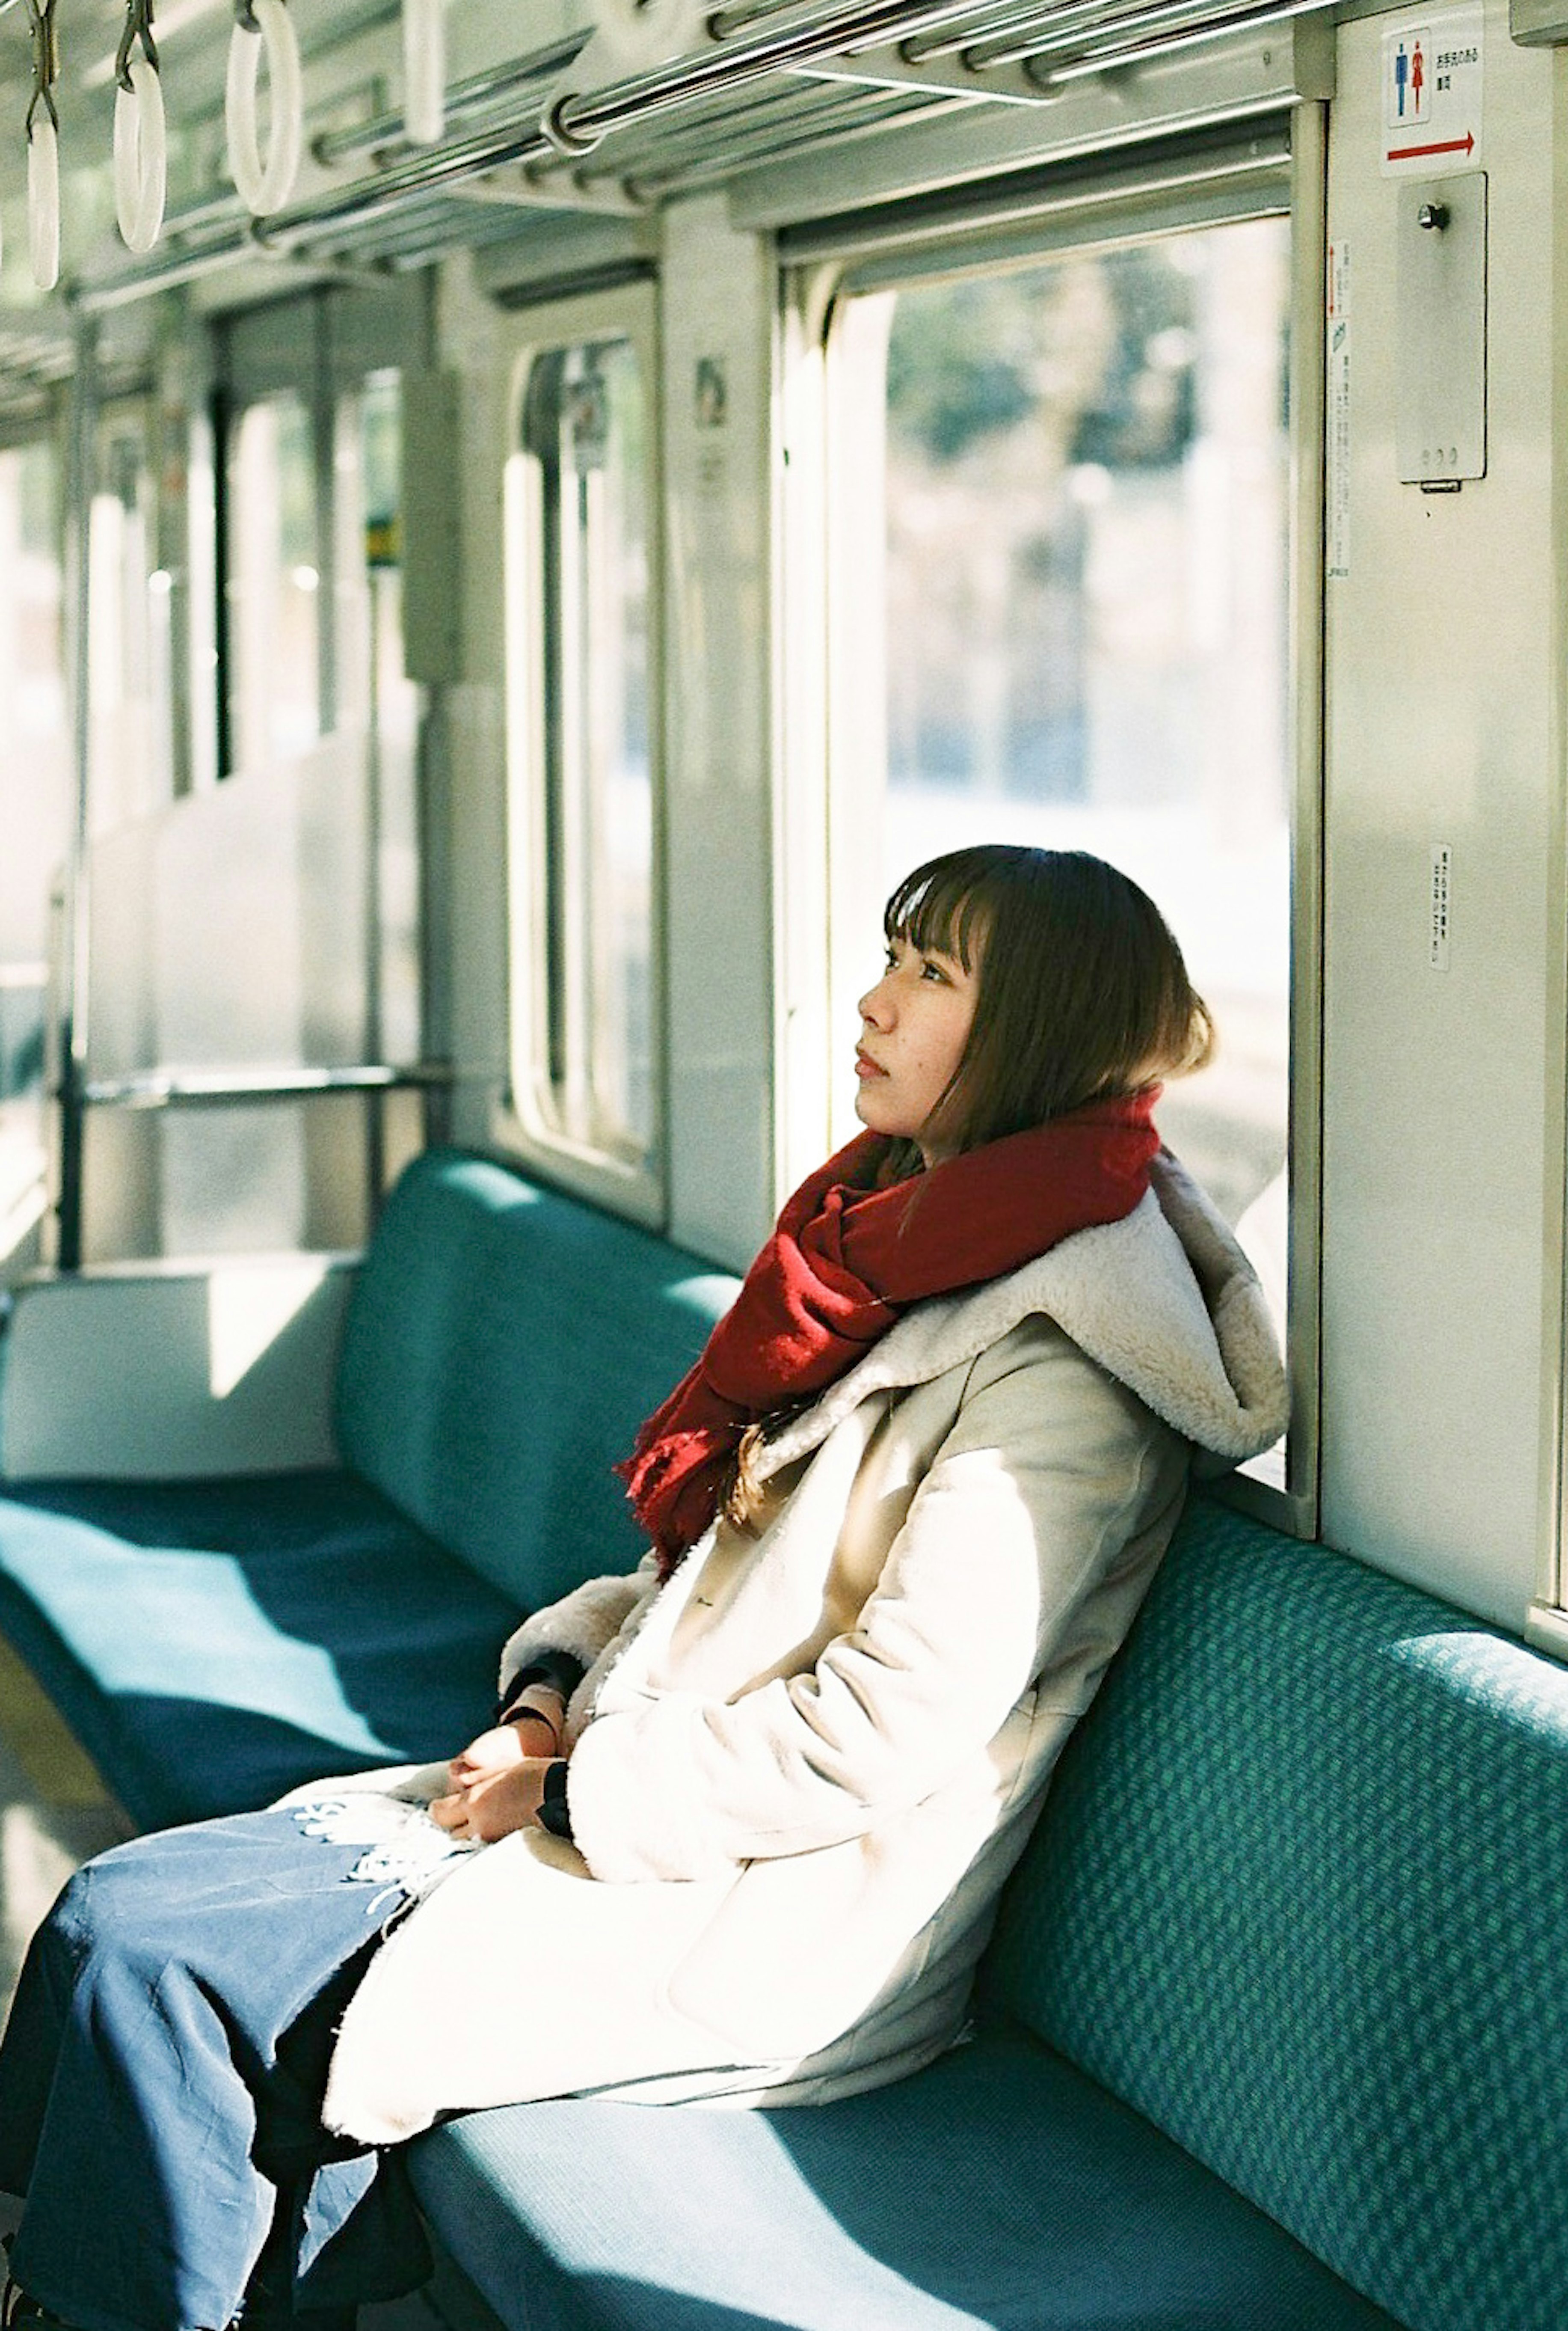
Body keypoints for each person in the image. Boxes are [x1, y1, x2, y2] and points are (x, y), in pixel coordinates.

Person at [0, 844, 1286, 2331]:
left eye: (933, 977)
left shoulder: (1061, 1367)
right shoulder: (902, 1245)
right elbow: (709, 1577)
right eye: (892, 957)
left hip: (775, 1905)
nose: (871, 1003)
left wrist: (567, 1795)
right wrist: (544, 1707)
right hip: (642, 1809)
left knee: (155, 1966)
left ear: (1040, 1033)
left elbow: (877, 1735)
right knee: (116, 1914)